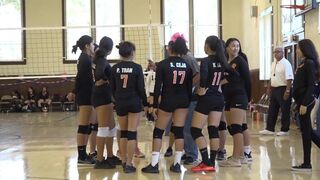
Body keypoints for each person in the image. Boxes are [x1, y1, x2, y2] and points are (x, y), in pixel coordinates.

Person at [141, 34, 193, 173]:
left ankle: (153, 165)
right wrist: (187, 102)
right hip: (183, 101)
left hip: (168, 100)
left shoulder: (163, 64)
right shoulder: (187, 65)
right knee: (179, 132)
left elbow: (157, 87)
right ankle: (176, 164)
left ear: (169, 48)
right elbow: (189, 88)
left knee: (158, 132)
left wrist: (154, 106)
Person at [190, 36, 230, 172]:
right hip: (219, 98)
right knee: (213, 129)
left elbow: (204, 75)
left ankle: (205, 161)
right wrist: (218, 84)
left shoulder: (206, 61)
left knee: (195, 130)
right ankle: (212, 163)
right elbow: (233, 75)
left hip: (207, 98)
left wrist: (202, 88)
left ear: (207, 46)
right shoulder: (223, 61)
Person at [111, 41, 148, 173]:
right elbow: (141, 88)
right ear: (132, 52)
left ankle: (123, 160)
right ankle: (129, 163)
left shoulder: (114, 68)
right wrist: (146, 103)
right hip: (134, 102)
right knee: (132, 132)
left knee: (124, 132)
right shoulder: (137, 68)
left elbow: (112, 89)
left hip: (120, 102)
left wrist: (117, 99)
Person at [220, 38, 252, 167]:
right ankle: (243, 155)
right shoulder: (227, 62)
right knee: (236, 127)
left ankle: (236, 158)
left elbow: (248, 81)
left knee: (237, 128)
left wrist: (249, 99)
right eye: (233, 46)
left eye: (237, 46)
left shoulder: (240, 61)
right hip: (228, 97)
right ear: (227, 48)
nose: (235, 48)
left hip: (239, 97)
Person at [91, 36, 120, 169]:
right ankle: (99, 160)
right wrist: (105, 80)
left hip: (104, 96)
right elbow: (98, 74)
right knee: (103, 128)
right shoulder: (101, 59)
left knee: (111, 126)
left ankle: (110, 156)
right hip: (102, 96)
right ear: (110, 48)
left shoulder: (98, 58)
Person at [291, 39, 320, 172]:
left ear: (305, 49)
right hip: (301, 101)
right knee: (307, 130)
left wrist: (303, 103)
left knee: (306, 132)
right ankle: (306, 163)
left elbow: (310, 85)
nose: (296, 50)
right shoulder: (303, 63)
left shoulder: (309, 63)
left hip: (305, 101)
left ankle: (307, 163)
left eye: (298, 48)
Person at [259, 46, 293, 136]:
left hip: (284, 88)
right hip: (274, 89)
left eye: (278, 52)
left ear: (282, 53)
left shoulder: (286, 63)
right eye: (274, 52)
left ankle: (285, 129)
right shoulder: (274, 63)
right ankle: (270, 128)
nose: (276, 53)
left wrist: (287, 91)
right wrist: (269, 87)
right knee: (272, 109)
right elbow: (272, 76)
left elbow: (289, 78)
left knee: (285, 109)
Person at [72, 35, 96, 165]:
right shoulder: (85, 59)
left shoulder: (87, 58)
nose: (94, 46)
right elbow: (79, 78)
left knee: (88, 126)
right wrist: (73, 92)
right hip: (85, 95)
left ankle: (84, 154)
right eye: (92, 44)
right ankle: (81, 156)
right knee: (83, 125)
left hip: (88, 95)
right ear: (87, 46)